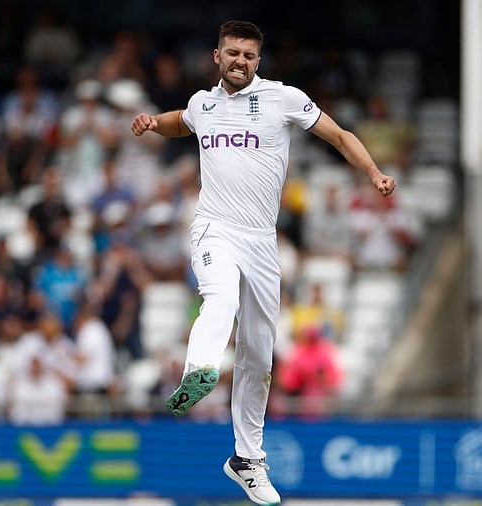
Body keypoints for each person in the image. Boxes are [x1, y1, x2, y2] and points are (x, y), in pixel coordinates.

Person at [129, 21, 396, 506]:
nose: (240, 62)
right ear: (217, 56)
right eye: (232, 53)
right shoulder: (202, 103)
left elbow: (339, 135)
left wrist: (373, 172)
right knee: (220, 297)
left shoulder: (283, 98)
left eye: (249, 56)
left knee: (258, 352)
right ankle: (200, 372)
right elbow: (180, 121)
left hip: (261, 241)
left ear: (258, 60)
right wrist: (152, 123)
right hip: (214, 229)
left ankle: (246, 460)